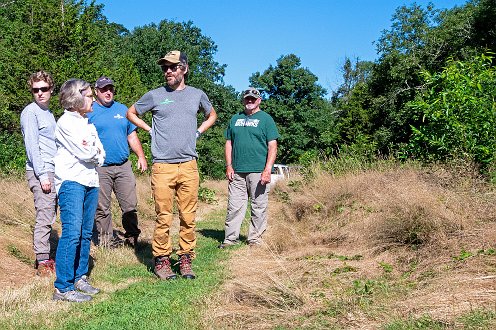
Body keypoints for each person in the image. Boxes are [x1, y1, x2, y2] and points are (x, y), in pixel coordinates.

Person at [127, 50, 217, 280]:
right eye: (165, 67)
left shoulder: (197, 95)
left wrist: (198, 131)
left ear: (184, 69)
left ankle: (186, 259)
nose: (167, 71)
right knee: (163, 216)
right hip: (163, 166)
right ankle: (162, 261)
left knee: (188, 217)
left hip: (189, 164)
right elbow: (131, 112)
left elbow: (212, 115)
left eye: (173, 67)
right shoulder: (155, 95)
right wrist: (149, 129)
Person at [52, 79, 105, 303]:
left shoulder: (88, 124)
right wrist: (92, 151)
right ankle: (62, 288)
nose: (93, 98)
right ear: (76, 98)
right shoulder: (65, 122)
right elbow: (87, 154)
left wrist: (92, 151)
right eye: (90, 95)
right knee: (72, 233)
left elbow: (101, 155)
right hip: (71, 182)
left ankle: (79, 278)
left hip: (91, 182)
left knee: (84, 233)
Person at [87, 77, 147, 248]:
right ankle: (106, 240)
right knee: (102, 208)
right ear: (96, 91)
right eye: (104, 89)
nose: (108, 92)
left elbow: (131, 135)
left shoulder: (122, 109)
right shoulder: (89, 111)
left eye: (111, 89)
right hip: (100, 168)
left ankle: (132, 235)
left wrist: (141, 156)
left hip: (123, 165)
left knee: (130, 205)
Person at [219, 87, 279, 248]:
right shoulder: (235, 119)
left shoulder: (266, 119)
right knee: (234, 206)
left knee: (259, 206)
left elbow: (272, 146)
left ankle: (255, 239)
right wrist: (229, 165)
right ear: (243, 100)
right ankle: (230, 239)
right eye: (247, 98)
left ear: (259, 100)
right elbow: (228, 143)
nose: (250, 101)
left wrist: (267, 170)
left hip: (258, 171)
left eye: (253, 98)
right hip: (237, 170)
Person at [20, 71, 57, 276]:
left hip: (54, 170)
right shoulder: (30, 112)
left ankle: (49, 257)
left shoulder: (48, 113)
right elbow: (32, 146)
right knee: (44, 215)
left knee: (51, 215)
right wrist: (42, 175)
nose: (40, 93)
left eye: (44, 89)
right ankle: (43, 261)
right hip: (41, 171)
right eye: (36, 90)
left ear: (51, 89)